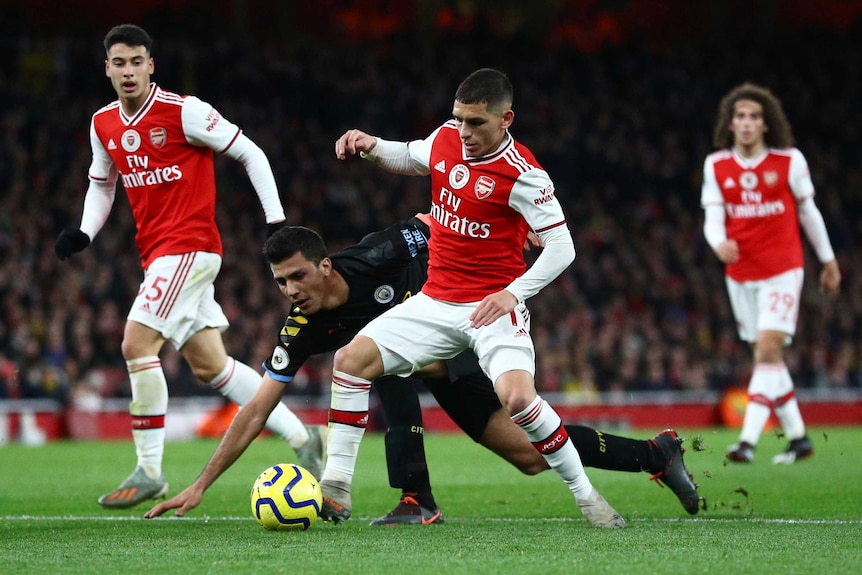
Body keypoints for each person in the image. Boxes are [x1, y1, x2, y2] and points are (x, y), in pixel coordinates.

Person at [143, 219, 701, 523]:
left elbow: (440, 221)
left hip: (460, 327)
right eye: (280, 283)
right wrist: (200, 485)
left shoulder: (378, 253)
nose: (290, 292)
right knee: (531, 457)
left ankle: (416, 498)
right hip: (425, 359)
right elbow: (256, 408)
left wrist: (518, 228)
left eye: (296, 278)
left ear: (325, 266)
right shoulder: (301, 326)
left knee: (383, 366)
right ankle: (656, 454)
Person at [323, 67, 624, 528]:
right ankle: (335, 487)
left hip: (491, 308)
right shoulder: (447, 138)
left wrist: (511, 293)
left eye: (476, 123)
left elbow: (563, 247)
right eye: (459, 119)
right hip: (434, 301)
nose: (464, 132)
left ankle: (587, 497)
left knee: (519, 401)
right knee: (349, 361)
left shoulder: (525, 176)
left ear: (506, 119)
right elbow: (410, 156)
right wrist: (371, 147)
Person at [54, 24, 324, 509]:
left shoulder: (185, 111)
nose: (129, 71)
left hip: (191, 247)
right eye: (120, 63)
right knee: (209, 364)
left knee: (136, 342)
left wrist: (275, 220)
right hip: (157, 253)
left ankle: (150, 470)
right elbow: (103, 184)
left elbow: (250, 151)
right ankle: (303, 436)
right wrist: (84, 232)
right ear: (108, 69)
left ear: (151, 64)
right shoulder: (103, 124)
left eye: (138, 61)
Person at [701, 82, 841, 464]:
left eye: (754, 117)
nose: (747, 123)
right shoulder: (717, 166)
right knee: (767, 358)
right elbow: (713, 220)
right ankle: (799, 438)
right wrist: (718, 244)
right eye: (740, 116)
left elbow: (809, 213)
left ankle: (747, 440)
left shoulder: (789, 161)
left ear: (766, 124)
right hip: (740, 275)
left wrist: (827, 261)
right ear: (731, 124)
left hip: (782, 270)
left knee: (766, 351)